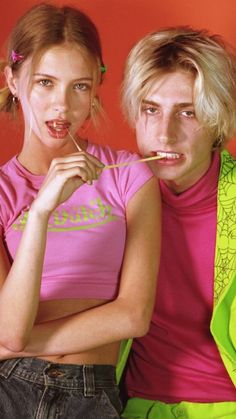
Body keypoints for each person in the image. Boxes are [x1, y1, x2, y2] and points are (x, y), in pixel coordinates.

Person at [0, 4, 161, 418]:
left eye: (79, 86)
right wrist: (40, 212)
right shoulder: (2, 191)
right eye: (45, 83)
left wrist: (18, 343)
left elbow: (134, 315)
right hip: (9, 388)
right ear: (13, 81)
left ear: (96, 88)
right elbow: (10, 327)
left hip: (90, 393)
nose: (62, 105)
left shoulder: (129, 177)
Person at [120, 27, 236, 418]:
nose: (164, 134)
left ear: (218, 119)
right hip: (132, 406)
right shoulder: (113, 195)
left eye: (188, 112)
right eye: (151, 109)